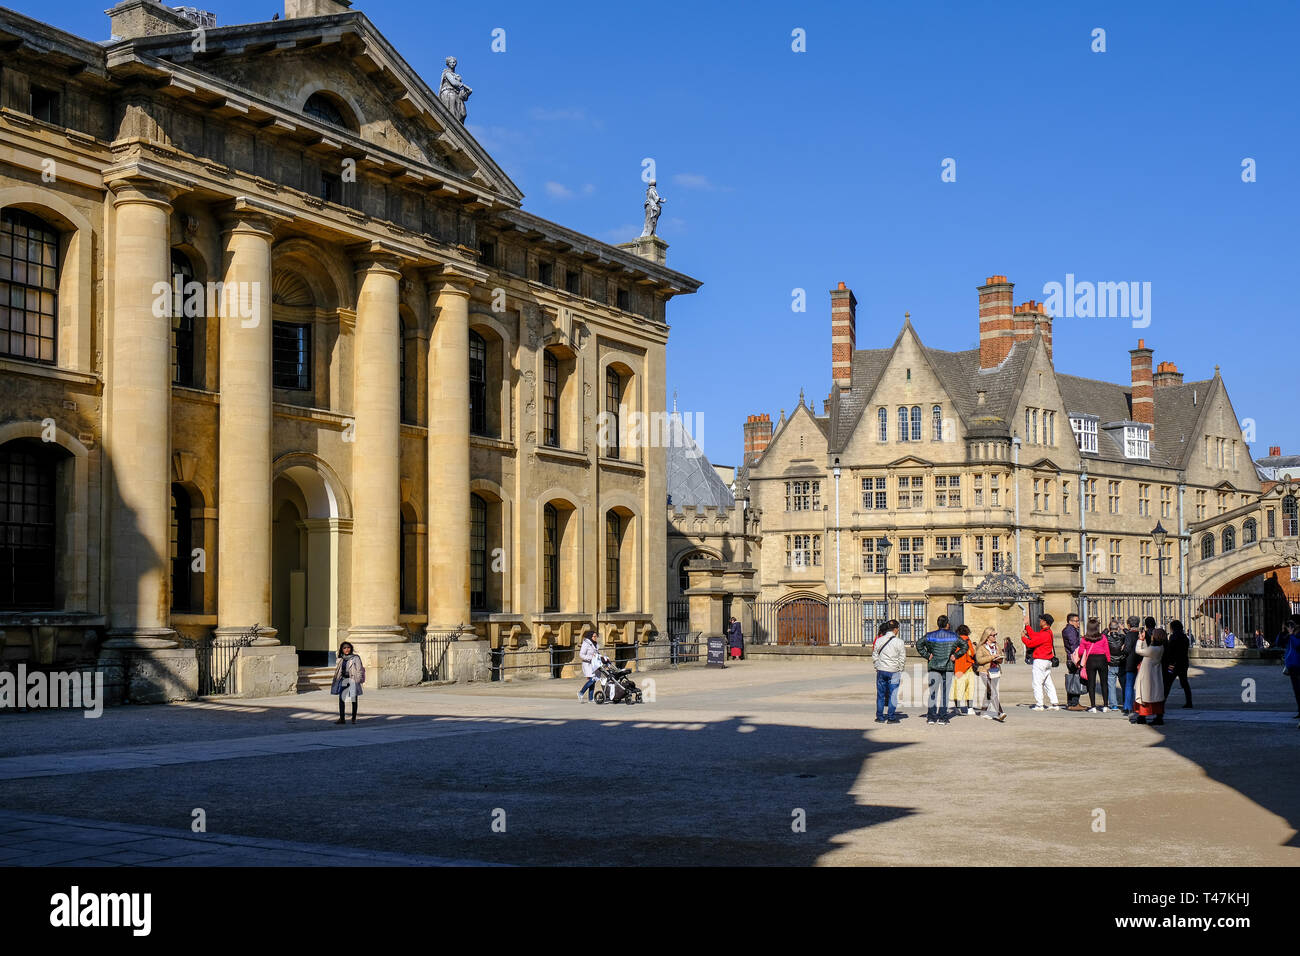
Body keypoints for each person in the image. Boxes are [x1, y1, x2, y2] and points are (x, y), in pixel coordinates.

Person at [914, 614, 968, 726]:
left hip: (934, 666)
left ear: (938, 624)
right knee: (945, 693)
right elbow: (965, 646)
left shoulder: (930, 635)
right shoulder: (953, 636)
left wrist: (927, 655)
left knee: (933, 693)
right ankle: (943, 717)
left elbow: (919, 644)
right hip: (948, 667)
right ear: (947, 624)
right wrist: (956, 655)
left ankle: (931, 717)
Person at [1022, 610, 1060, 711]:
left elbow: (1031, 643)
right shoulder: (1047, 632)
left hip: (1040, 660)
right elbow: (1035, 636)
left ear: (1044, 622)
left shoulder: (1044, 634)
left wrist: (1023, 638)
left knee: (1037, 683)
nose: (1039, 621)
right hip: (1047, 661)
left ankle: (1040, 704)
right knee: (1048, 683)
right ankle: (1054, 703)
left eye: (1041, 620)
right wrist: (1027, 625)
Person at [871, 619, 906, 723]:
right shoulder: (899, 642)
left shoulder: (879, 640)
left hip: (881, 670)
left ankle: (880, 717)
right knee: (893, 695)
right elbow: (902, 658)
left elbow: (875, 654)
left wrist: (877, 665)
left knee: (881, 695)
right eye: (897, 628)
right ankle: (891, 717)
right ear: (895, 629)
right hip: (893, 670)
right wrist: (900, 669)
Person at [1133, 627, 1168, 725]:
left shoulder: (1154, 649)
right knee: (1155, 695)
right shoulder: (1159, 647)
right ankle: (1157, 716)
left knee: (1145, 695)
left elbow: (1139, 651)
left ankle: (1142, 716)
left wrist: (1140, 640)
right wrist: (1144, 640)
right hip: (1154, 673)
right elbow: (1146, 650)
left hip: (1148, 675)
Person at [1078, 618, 1112, 711]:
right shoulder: (1103, 637)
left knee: (1091, 684)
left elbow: (1080, 652)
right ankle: (1105, 706)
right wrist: (1108, 661)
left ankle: (1093, 706)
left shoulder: (1085, 639)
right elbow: (1107, 650)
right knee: (1104, 683)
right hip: (1102, 659)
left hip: (1091, 660)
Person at [975, 627, 1007, 721]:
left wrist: (1000, 658)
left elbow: (1000, 657)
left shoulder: (997, 645)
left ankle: (983, 711)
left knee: (989, 692)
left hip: (995, 671)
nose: (995, 637)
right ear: (987, 636)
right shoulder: (981, 647)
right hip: (984, 671)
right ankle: (1000, 712)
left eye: (995, 634)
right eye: (993, 635)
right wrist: (992, 657)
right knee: (993, 692)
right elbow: (979, 660)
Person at [330, 642, 365, 725]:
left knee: (354, 699)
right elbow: (338, 670)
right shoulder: (341, 658)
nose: (347, 649)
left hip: (352, 680)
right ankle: (342, 719)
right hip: (343, 680)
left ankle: (354, 718)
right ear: (342, 649)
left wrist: (358, 680)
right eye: (344, 648)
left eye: (348, 647)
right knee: (341, 699)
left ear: (351, 648)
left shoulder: (355, 658)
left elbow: (359, 670)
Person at [1163, 619, 1193, 708]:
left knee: (1168, 682)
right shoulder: (1185, 638)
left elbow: (1170, 651)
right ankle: (1189, 702)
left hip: (1173, 664)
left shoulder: (1173, 637)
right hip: (1183, 663)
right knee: (1184, 682)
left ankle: (1162, 701)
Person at [951, 624, 978, 715]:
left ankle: (957, 707)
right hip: (968, 667)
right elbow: (971, 653)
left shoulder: (955, 641)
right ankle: (970, 708)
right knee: (969, 688)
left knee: (957, 688)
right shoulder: (968, 640)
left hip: (958, 667)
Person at [1061, 612, 1084, 710]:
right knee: (1075, 680)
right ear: (1070, 621)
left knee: (1072, 679)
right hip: (1074, 659)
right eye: (1076, 621)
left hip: (1071, 658)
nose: (1078, 623)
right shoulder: (1070, 630)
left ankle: (1071, 703)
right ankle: (1074, 703)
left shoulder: (1070, 629)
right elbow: (1073, 644)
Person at [1122, 616, 1142, 714]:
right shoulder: (1141, 633)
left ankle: (1127, 707)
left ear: (1129, 625)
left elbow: (1127, 649)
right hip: (1141, 663)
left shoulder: (1129, 635)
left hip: (1130, 662)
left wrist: (1123, 649)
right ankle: (1139, 706)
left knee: (1129, 685)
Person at [1106, 618, 1127, 711]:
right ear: (1118, 628)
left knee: (1111, 686)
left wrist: (1107, 630)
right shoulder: (1122, 637)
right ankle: (1126, 703)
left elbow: (1100, 635)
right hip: (1121, 663)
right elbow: (1131, 635)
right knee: (1124, 685)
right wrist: (1124, 628)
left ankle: (1113, 705)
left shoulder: (1106, 638)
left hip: (1111, 663)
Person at [1282, 617, 1300, 719]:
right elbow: (1279, 642)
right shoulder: (1290, 635)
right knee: (1296, 690)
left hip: (1297, 665)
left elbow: (1298, 645)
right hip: (1292, 666)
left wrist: (1292, 635)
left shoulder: (1297, 635)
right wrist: (1283, 631)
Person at [577, 630, 600, 702]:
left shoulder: (594, 644)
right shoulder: (586, 644)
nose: (596, 638)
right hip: (587, 664)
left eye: (596, 636)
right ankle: (581, 692)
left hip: (593, 664)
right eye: (594, 636)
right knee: (592, 679)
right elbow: (581, 655)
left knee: (593, 680)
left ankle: (591, 698)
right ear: (590, 636)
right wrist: (590, 658)